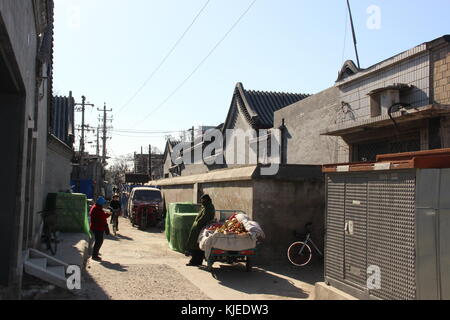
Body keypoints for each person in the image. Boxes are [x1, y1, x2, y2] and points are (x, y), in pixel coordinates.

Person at [185, 194, 216, 266]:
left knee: (197, 245)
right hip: (198, 228)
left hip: (200, 229)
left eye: (202, 199)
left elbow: (204, 218)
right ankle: (197, 261)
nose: (201, 201)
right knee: (197, 245)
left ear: (206, 199)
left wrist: (198, 224)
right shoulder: (205, 206)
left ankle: (194, 261)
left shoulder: (208, 207)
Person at [90, 196, 111, 261]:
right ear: (101, 203)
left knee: (98, 241)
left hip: (96, 227)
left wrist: (107, 214)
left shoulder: (96, 207)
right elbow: (103, 219)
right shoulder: (97, 209)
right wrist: (106, 228)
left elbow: (102, 216)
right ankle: (94, 255)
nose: (104, 204)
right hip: (98, 228)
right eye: (103, 203)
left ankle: (95, 254)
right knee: (98, 242)